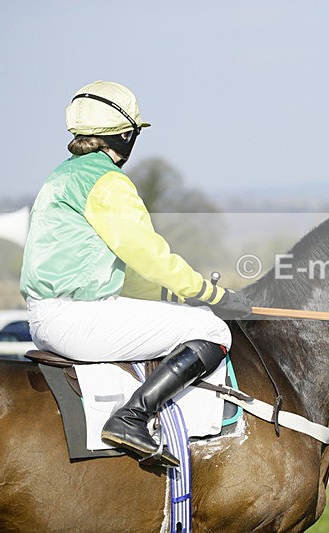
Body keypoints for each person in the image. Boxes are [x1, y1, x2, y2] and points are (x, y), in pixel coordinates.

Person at [20, 81, 253, 467]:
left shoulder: (62, 176)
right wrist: (214, 296)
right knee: (212, 330)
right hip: (79, 318)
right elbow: (149, 255)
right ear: (126, 135)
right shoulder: (108, 181)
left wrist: (163, 297)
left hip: (46, 315)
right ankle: (132, 417)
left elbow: (120, 260)